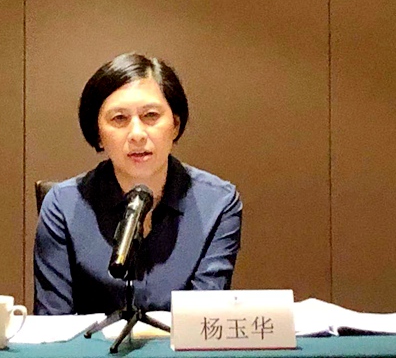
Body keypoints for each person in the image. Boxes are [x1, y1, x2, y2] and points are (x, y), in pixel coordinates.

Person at [34, 52, 242, 315]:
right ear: (98, 134)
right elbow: (52, 323)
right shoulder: (62, 206)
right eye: (119, 119)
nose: (137, 134)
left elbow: (204, 318)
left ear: (175, 125)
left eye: (151, 115)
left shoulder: (218, 203)